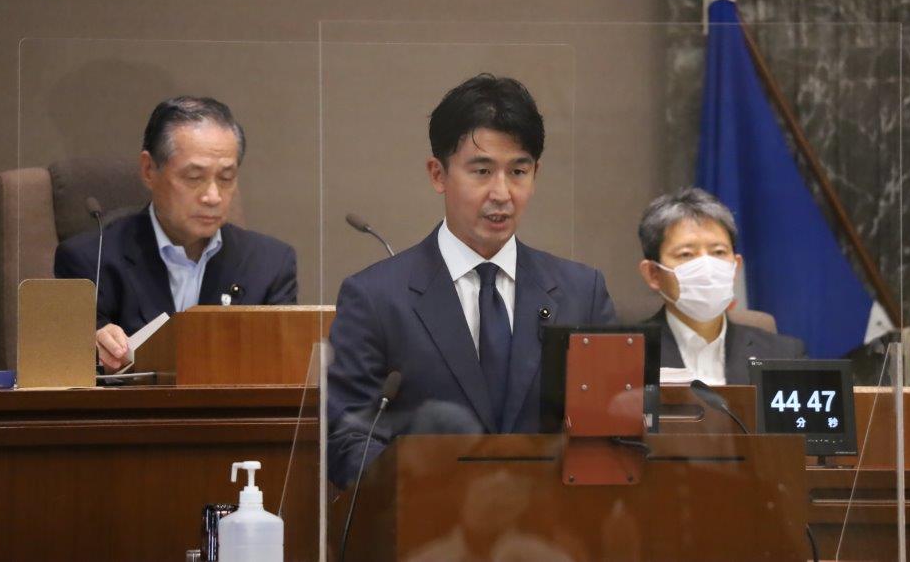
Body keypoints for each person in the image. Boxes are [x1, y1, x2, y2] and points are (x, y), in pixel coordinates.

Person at [327, 74, 618, 488]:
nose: (501, 193)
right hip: (428, 520)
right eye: (482, 171)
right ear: (438, 174)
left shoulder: (581, 294)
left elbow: (613, 436)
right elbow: (347, 439)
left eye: (518, 171)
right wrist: (440, 498)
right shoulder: (375, 298)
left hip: (548, 521)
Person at [54, 96, 298, 372]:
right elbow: (65, 373)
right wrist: (92, 352)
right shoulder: (91, 262)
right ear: (149, 170)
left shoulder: (270, 265)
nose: (213, 196)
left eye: (226, 178)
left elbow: (286, 372)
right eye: (194, 177)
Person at [636, 187, 804, 385]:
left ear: (736, 267)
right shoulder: (627, 355)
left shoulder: (783, 356)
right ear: (653, 273)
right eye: (686, 254)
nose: (707, 267)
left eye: (718, 252)